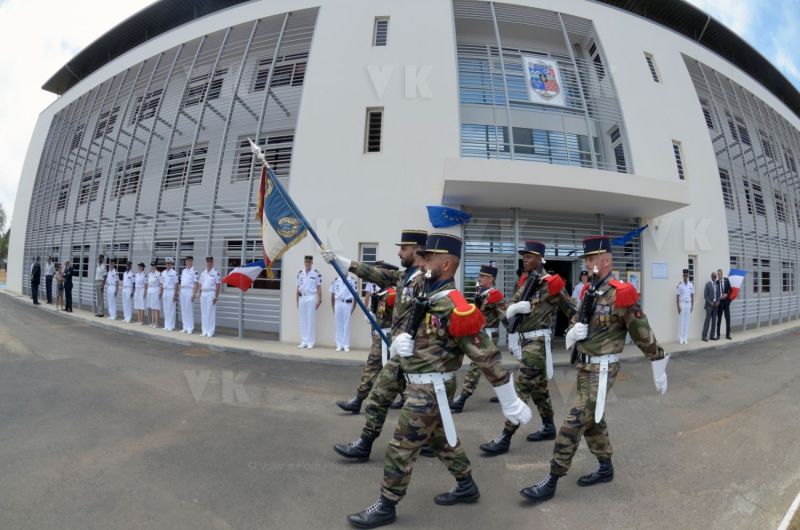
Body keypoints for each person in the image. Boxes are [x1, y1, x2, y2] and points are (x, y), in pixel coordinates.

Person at [342, 233, 532, 528]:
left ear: (445, 263)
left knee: (400, 447)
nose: (421, 259)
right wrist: (402, 339)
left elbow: (487, 355)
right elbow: (399, 295)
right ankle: (466, 484)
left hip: (431, 388)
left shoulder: (455, 305)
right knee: (442, 440)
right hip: (417, 380)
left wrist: (509, 400)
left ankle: (387, 503)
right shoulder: (424, 289)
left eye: (428, 257)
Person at [519, 235, 668, 503]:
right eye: (586, 259)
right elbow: (576, 319)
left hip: (602, 369)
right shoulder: (590, 291)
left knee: (574, 421)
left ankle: (552, 478)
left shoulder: (620, 293)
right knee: (593, 420)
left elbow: (642, 331)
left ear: (606, 260)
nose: (587, 263)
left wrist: (658, 361)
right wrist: (573, 332)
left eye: (591, 258)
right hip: (585, 368)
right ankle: (605, 467)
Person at [327, 229, 427, 450]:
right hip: (400, 353)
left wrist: (415, 340)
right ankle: (364, 444)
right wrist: (342, 262)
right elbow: (376, 274)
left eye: (404, 248)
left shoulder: (426, 280)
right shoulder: (405, 276)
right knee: (378, 398)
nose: (399, 253)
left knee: (424, 409)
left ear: (417, 250)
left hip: (418, 356)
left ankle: (446, 455)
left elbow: (435, 318)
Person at [479, 241, 576, 456]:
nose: (524, 258)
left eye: (529, 256)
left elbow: (572, 309)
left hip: (538, 344)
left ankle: (505, 437)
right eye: (523, 256)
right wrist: (512, 309)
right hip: (525, 342)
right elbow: (507, 311)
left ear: (540, 258)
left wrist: (574, 331)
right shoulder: (524, 283)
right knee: (539, 390)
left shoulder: (551, 284)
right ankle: (549, 427)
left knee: (521, 389)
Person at [336, 261, 398, 413]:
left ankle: (358, 401)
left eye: (380, 273)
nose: (376, 275)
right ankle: (405, 396)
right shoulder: (382, 293)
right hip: (379, 336)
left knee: (372, 368)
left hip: (385, 337)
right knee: (395, 369)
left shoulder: (391, 294)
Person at [450, 263, 508, 413]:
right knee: (494, 367)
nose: (479, 278)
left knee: (476, 367)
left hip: (488, 335)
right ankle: (506, 393)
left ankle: (462, 398)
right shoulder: (481, 293)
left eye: (483, 276)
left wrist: (514, 335)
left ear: (491, 279)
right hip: (480, 334)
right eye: (480, 276)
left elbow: (504, 316)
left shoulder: (494, 295)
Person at [296, 255, 322, 349]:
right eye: (306, 262)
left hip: (311, 297)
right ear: (304, 262)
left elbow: (319, 287)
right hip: (302, 298)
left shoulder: (316, 273)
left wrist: (319, 300)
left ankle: (310, 342)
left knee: (311, 320)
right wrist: (297, 300)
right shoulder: (300, 273)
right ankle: (304, 341)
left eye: (309, 262)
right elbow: (298, 287)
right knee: (302, 320)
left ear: (312, 263)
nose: (307, 263)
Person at [330, 273, 358, 351]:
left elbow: (355, 294)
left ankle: (346, 345)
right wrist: (333, 306)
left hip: (347, 304)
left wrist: (354, 307)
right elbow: (332, 295)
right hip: (338, 303)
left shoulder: (352, 281)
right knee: (338, 324)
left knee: (346, 324)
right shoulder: (336, 280)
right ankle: (339, 344)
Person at [198, 257, 221, 338]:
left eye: (210, 262)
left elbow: (218, 285)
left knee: (210, 313)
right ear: (206, 263)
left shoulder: (215, 273)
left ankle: (210, 332)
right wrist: (199, 294)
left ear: (213, 263)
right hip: (203, 293)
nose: (209, 264)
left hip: (211, 293)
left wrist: (216, 296)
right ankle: (204, 331)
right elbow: (200, 284)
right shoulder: (203, 273)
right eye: (207, 262)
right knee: (203, 313)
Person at [179, 256, 199, 334]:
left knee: (189, 310)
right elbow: (181, 282)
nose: (188, 263)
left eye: (189, 261)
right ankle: (185, 327)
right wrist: (179, 291)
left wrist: (194, 293)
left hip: (189, 290)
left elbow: (196, 283)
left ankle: (190, 328)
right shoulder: (183, 271)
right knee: (184, 310)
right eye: (187, 261)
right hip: (183, 290)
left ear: (192, 262)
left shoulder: (194, 271)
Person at [676, 268, 694, 344]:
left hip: (688, 304)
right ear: (682, 276)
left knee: (687, 322)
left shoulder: (691, 285)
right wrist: (678, 307)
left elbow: (692, 294)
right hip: (682, 304)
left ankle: (685, 338)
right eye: (684, 275)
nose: (685, 277)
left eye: (686, 275)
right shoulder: (680, 285)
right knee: (681, 322)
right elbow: (677, 296)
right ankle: (681, 338)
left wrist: (692, 305)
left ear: (688, 276)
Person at [161, 257, 179, 331]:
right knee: (166, 309)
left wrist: (175, 294)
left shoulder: (174, 273)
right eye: (166, 263)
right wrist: (161, 293)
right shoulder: (163, 272)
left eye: (169, 263)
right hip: (165, 291)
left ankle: (171, 326)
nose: (168, 265)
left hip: (171, 291)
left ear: (172, 264)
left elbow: (176, 284)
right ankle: (166, 325)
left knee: (171, 309)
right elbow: (162, 284)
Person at [702, 271, 719, 341]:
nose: (714, 277)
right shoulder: (708, 284)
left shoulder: (717, 286)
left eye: (715, 276)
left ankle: (712, 336)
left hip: (715, 306)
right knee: (707, 321)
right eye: (713, 276)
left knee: (714, 321)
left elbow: (718, 296)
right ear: (711, 277)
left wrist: (718, 302)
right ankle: (704, 336)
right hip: (709, 306)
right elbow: (705, 296)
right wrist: (710, 303)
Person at [716, 268, 732, 340]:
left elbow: (730, 290)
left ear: (722, 274)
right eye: (718, 274)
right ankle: (718, 335)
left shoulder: (726, 280)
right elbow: (715, 293)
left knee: (728, 319)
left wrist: (726, 295)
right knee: (719, 319)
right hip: (720, 303)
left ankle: (728, 335)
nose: (719, 276)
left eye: (720, 274)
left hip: (726, 302)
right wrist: (719, 297)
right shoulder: (716, 282)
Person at [146, 261, 161, 328]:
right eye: (152, 266)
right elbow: (148, 283)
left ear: (156, 266)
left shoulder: (158, 274)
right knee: (152, 307)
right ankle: (152, 322)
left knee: (156, 308)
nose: (152, 267)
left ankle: (156, 322)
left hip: (156, 290)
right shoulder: (150, 274)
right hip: (150, 290)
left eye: (154, 266)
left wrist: (160, 293)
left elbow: (161, 284)